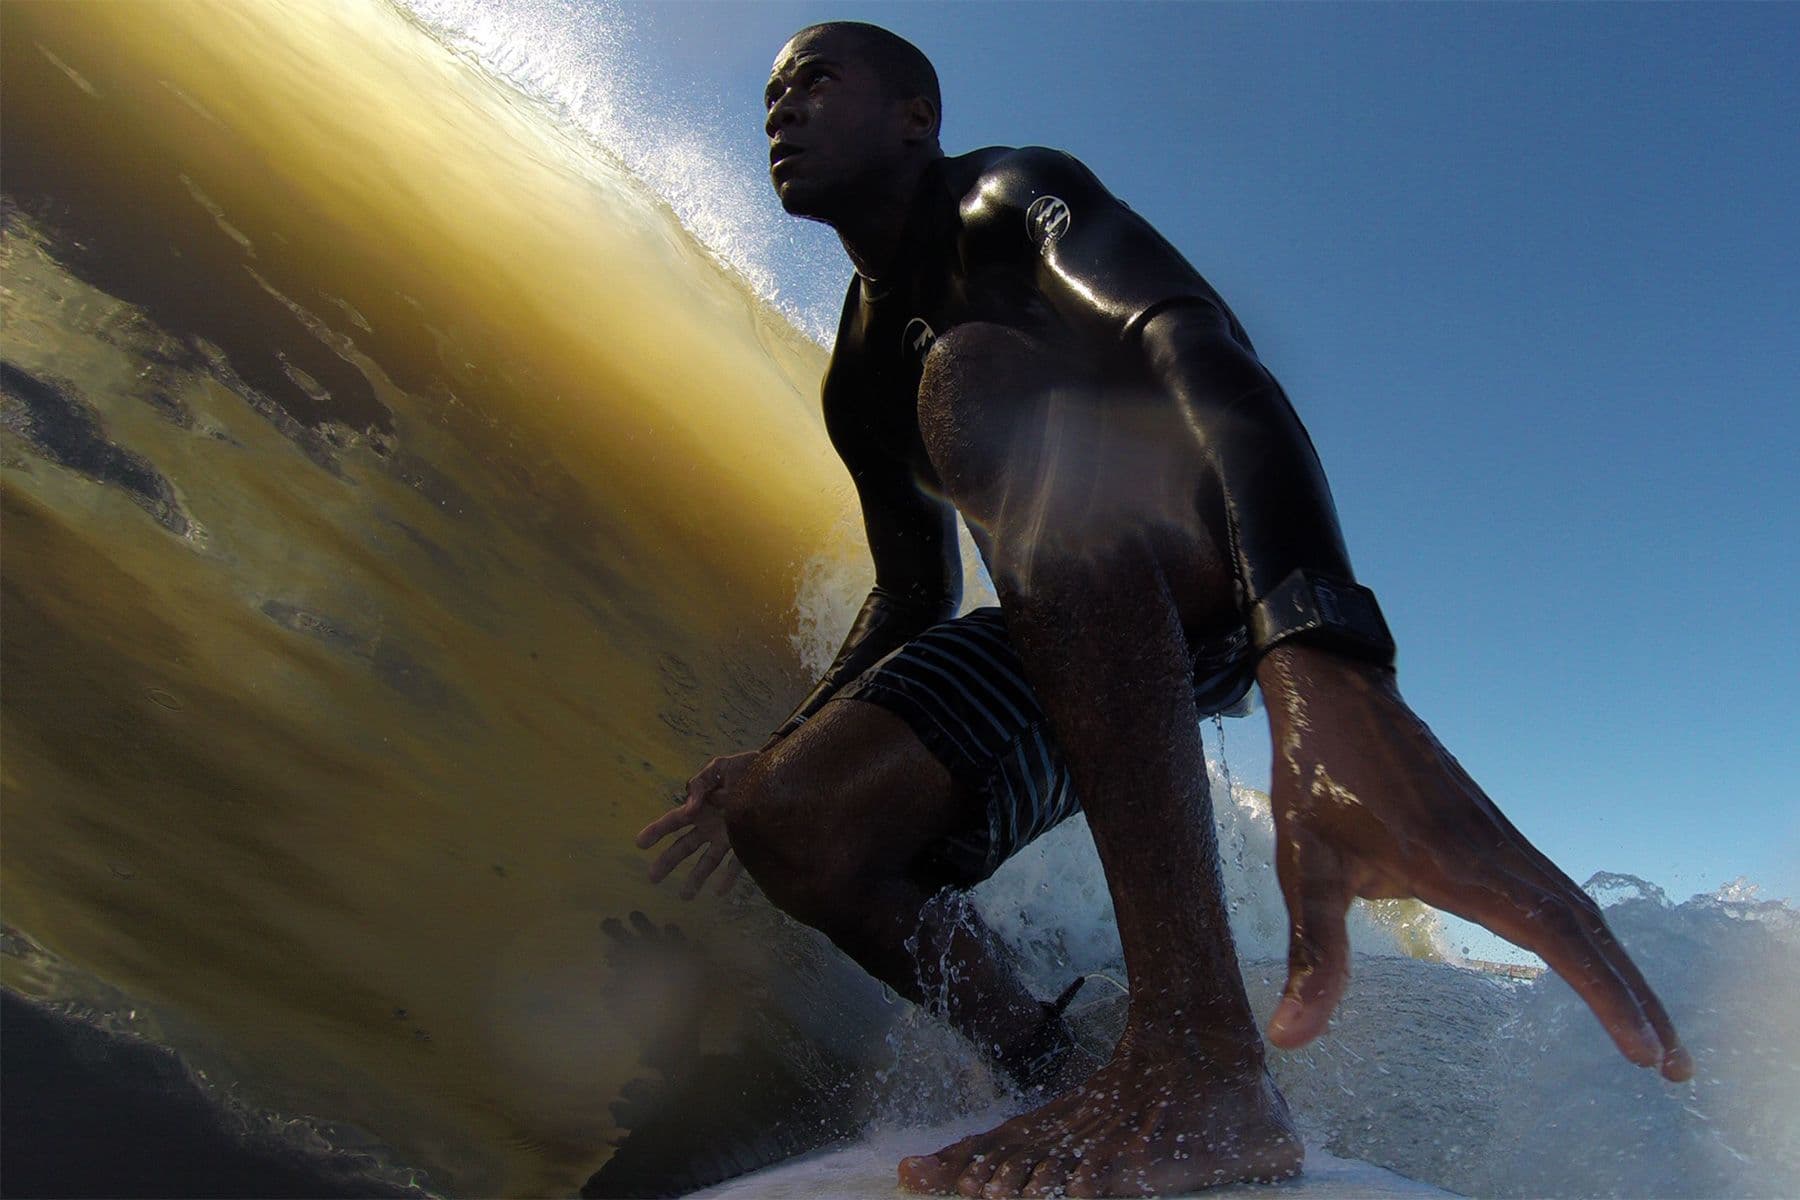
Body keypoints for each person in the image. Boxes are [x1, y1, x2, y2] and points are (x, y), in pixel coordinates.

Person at [637, 21, 1692, 1198]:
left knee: (975, 374)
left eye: (816, 80)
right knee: (792, 822)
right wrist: (778, 744)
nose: (781, 110)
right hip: (1062, 630)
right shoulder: (859, 371)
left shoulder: (1009, 197)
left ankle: (1201, 1055)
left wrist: (1317, 647)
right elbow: (914, 590)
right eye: (771, 95)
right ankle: (1048, 1065)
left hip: (1208, 577)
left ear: (915, 116)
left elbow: (1192, 339)